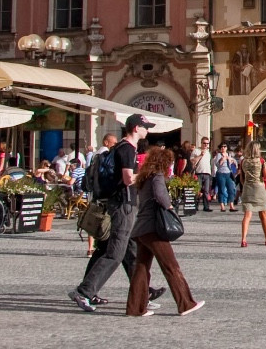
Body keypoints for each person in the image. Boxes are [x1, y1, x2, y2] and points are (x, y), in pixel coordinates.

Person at [73, 115, 149, 312]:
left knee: (130, 250)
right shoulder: (126, 149)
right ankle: (85, 291)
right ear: (135, 128)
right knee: (115, 252)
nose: (147, 130)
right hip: (124, 204)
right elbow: (127, 178)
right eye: (145, 126)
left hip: (125, 203)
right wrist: (147, 173)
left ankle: (143, 291)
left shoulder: (124, 148)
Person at [126, 145, 202, 317]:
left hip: (141, 229)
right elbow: (161, 197)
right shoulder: (157, 177)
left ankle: (135, 308)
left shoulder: (145, 177)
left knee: (141, 268)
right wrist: (170, 208)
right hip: (154, 228)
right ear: (163, 163)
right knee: (171, 266)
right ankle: (186, 303)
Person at [239, 143, 266, 247]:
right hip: (259, 188)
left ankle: (244, 239)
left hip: (247, 188)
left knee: (247, 214)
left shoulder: (243, 161)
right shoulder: (261, 161)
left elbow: (241, 179)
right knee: (263, 214)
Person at [194, 137, 215, 212]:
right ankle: (195, 206)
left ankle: (206, 206)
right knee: (197, 190)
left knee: (206, 191)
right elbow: (193, 162)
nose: (206, 145)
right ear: (201, 143)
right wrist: (200, 155)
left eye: (207, 143)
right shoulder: (196, 151)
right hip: (199, 172)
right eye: (204, 143)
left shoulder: (208, 152)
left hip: (207, 173)